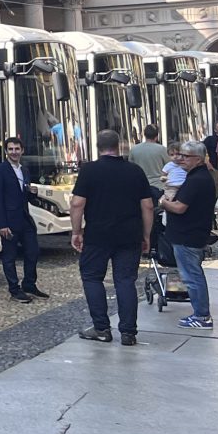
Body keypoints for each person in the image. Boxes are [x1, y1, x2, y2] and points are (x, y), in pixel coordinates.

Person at [70, 129, 155, 345]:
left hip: (97, 234)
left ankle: (101, 328)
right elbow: (147, 206)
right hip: (129, 234)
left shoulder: (89, 170)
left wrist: (76, 231)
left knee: (92, 277)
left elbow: (77, 204)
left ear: (97, 147)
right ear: (119, 146)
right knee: (125, 281)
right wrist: (146, 235)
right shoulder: (135, 171)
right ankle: (128, 333)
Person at [161, 140, 217, 330]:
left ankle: (202, 316)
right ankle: (201, 314)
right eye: (179, 155)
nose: (180, 159)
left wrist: (163, 203)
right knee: (193, 274)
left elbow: (179, 207)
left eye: (186, 156)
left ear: (198, 159)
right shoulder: (198, 177)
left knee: (192, 276)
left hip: (188, 235)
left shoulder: (196, 180)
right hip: (192, 233)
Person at [0, 136, 46, 303]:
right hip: (8, 220)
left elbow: (24, 196)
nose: (14, 152)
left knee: (33, 251)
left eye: (17, 149)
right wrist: (2, 224)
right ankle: (14, 289)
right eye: (11, 149)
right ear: (6, 151)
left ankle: (29, 284)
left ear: (22, 151)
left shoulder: (25, 170)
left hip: (24, 218)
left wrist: (32, 193)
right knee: (9, 256)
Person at [129, 124, 168, 195]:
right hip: (158, 186)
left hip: (140, 186)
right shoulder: (162, 149)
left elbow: (130, 168)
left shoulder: (134, 149)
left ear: (144, 135)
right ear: (156, 136)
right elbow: (169, 166)